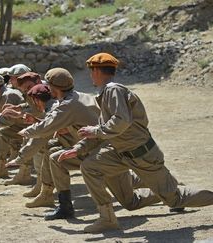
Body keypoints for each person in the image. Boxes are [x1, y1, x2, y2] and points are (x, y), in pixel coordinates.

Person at [58, 53, 213, 233]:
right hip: (120, 152)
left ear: (97, 71)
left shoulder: (113, 90)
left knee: (175, 199)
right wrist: (79, 148)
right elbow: (104, 129)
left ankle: (173, 190)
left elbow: (120, 121)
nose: (90, 75)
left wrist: (95, 131)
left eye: (91, 71)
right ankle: (107, 218)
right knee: (91, 168)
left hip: (142, 154)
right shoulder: (106, 92)